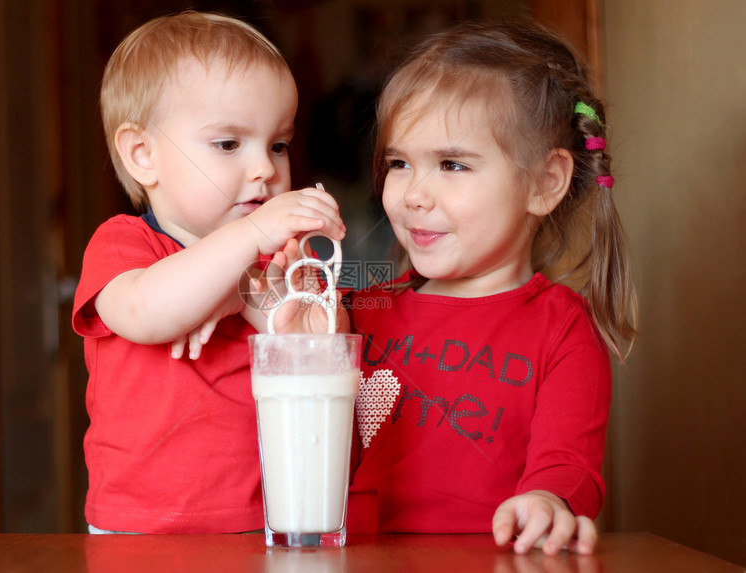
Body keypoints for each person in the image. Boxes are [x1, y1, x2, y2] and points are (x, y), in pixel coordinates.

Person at [345, 20, 637, 555]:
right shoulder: (358, 308)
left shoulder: (565, 330)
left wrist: (550, 500)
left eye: (452, 164)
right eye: (399, 163)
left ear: (546, 182)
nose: (413, 194)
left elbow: (567, 465)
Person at [71, 11, 345, 534]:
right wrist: (244, 245)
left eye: (278, 144)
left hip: (267, 520)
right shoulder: (123, 243)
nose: (265, 168)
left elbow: (328, 354)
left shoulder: (277, 260)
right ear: (142, 154)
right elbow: (146, 312)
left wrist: (253, 297)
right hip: (136, 530)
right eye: (228, 144)